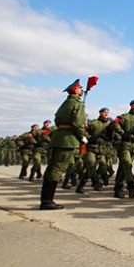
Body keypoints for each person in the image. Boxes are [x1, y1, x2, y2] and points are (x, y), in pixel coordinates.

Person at [39, 79, 86, 210]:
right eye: (80, 88)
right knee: (56, 170)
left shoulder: (66, 103)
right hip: (68, 141)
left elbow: (57, 119)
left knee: (52, 168)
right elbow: (78, 123)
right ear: (76, 90)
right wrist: (82, 137)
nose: (81, 90)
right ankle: (47, 201)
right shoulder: (78, 104)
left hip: (60, 138)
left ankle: (46, 200)